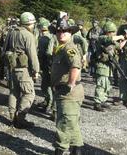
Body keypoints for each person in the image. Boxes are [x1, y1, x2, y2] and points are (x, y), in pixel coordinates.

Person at [51, 17, 84, 155]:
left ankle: (60, 151)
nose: (61, 33)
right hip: (64, 91)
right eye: (59, 31)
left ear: (70, 32)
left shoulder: (69, 48)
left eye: (65, 30)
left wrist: (70, 84)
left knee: (63, 125)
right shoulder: (60, 48)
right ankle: (76, 151)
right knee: (72, 123)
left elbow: (75, 66)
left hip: (69, 92)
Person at [4, 12, 39, 128]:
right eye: (33, 23)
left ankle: (11, 116)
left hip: (12, 67)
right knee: (29, 93)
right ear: (29, 23)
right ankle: (20, 118)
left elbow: (5, 49)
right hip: (23, 69)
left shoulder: (11, 32)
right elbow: (33, 55)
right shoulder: (28, 35)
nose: (33, 25)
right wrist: (36, 70)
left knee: (13, 92)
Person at [93, 22, 126, 111]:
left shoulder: (111, 40)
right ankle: (97, 103)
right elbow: (110, 39)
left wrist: (125, 39)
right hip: (102, 65)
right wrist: (120, 37)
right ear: (108, 32)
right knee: (101, 84)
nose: (114, 33)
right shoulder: (102, 38)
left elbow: (119, 46)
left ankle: (103, 100)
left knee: (107, 84)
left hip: (109, 66)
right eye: (113, 32)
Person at [37, 18, 53, 114]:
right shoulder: (49, 37)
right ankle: (47, 101)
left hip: (46, 65)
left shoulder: (45, 38)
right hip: (46, 65)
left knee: (47, 85)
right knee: (46, 85)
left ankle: (49, 103)